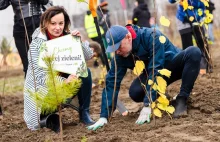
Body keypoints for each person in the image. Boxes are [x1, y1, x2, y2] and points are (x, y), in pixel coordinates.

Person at [87, 25, 201, 130]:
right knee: (135, 92)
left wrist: (147, 104)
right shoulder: (120, 56)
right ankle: (163, 97)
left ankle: (182, 98)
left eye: (119, 46)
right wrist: (104, 116)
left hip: (172, 67)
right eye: (113, 49)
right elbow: (112, 81)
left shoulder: (151, 36)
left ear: (128, 37)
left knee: (193, 52)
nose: (117, 51)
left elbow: (155, 68)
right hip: (153, 76)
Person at [24, 6, 95, 131]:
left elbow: (88, 55)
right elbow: (39, 77)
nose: (58, 27)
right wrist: (64, 81)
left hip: (65, 89)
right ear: (45, 23)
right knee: (45, 121)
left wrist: (79, 41)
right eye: (53, 23)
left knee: (85, 72)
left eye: (61, 23)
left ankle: (84, 114)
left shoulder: (68, 37)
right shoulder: (37, 44)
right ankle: (47, 117)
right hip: (44, 94)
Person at [0, 0, 50, 77]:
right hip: (20, 30)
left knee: (43, 62)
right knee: (27, 65)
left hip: (38, 27)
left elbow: (45, 1)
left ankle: (45, 86)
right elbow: (1, 5)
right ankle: (30, 88)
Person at [168, 0, 209, 74]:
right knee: (188, 46)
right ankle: (190, 68)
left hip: (198, 19)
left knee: (202, 42)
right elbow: (171, 1)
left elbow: (201, 3)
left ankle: (205, 65)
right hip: (183, 19)